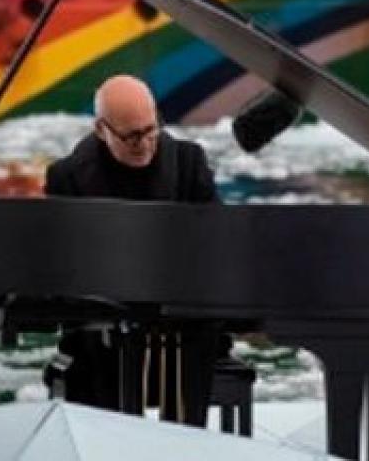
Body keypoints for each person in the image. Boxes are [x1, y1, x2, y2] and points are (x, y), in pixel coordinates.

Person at [43, 76, 300, 417]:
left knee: (191, 335)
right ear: (101, 130)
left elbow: (219, 243)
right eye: (131, 136)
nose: (145, 143)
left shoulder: (188, 163)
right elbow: (60, 271)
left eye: (151, 129)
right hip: (103, 329)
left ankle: (183, 440)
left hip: (182, 323)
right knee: (104, 348)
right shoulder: (68, 177)